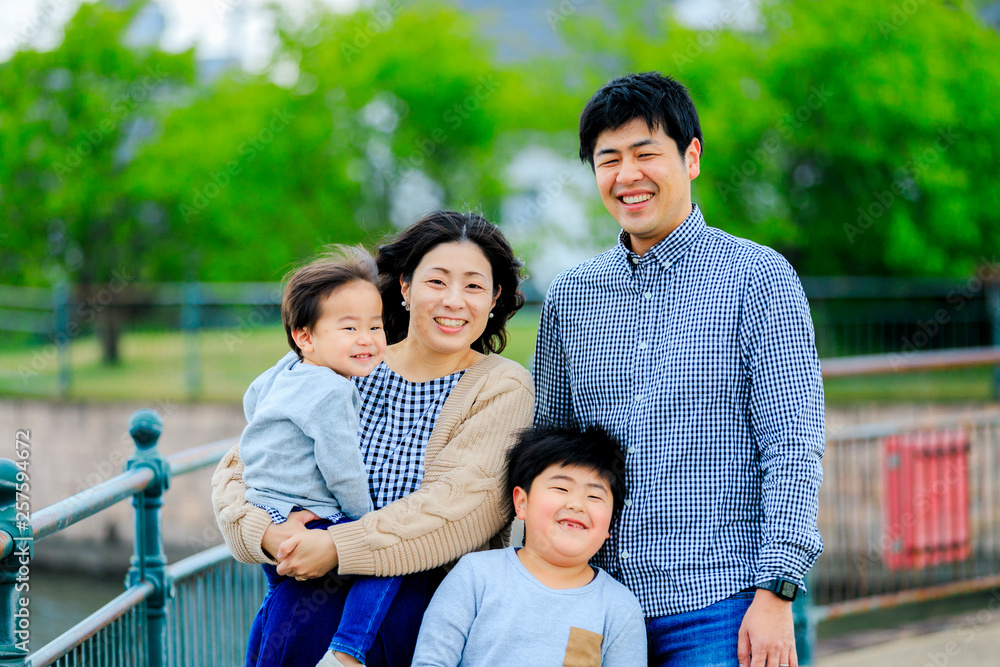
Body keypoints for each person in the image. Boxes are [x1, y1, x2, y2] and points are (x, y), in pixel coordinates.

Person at [533, 72, 825, 667]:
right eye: (607, 159)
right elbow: (552, 450)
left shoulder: (756, 278)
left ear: (690, 157)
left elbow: (793, 443)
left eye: (646, 153)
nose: (626, 175)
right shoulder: (570, 296)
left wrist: (778, 593)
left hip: (722, 604)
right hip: (594, 608)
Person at [212, 210, 535, 667]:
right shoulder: (349, 358)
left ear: (495, 297)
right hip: (309, 573)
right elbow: (244, 464)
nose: (454, 301)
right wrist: (267, 533)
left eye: (475, 286)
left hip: (422, 594)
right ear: (404, 287)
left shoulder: (501, 386)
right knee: (291, 616)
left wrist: (338, 548)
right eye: (437, 282)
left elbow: (462, 507)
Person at [240, 246, 400, 667]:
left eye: (375, 326)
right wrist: (363, 519)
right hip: (310, 512)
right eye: (349, 328)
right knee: (387, 561)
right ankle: (347, 650)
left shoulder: (287, 367)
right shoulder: (333, 389)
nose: (367, 339)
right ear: (305, 336)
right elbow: (341, 465)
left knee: (277, 595)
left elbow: (252, 398)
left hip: (266, 505)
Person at [410, 425, 647, 667]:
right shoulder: (475, 575)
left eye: (594, 496)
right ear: (522, 502)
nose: (577, 504)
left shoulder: (619, 609)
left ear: (610, 524)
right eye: (561, 488)